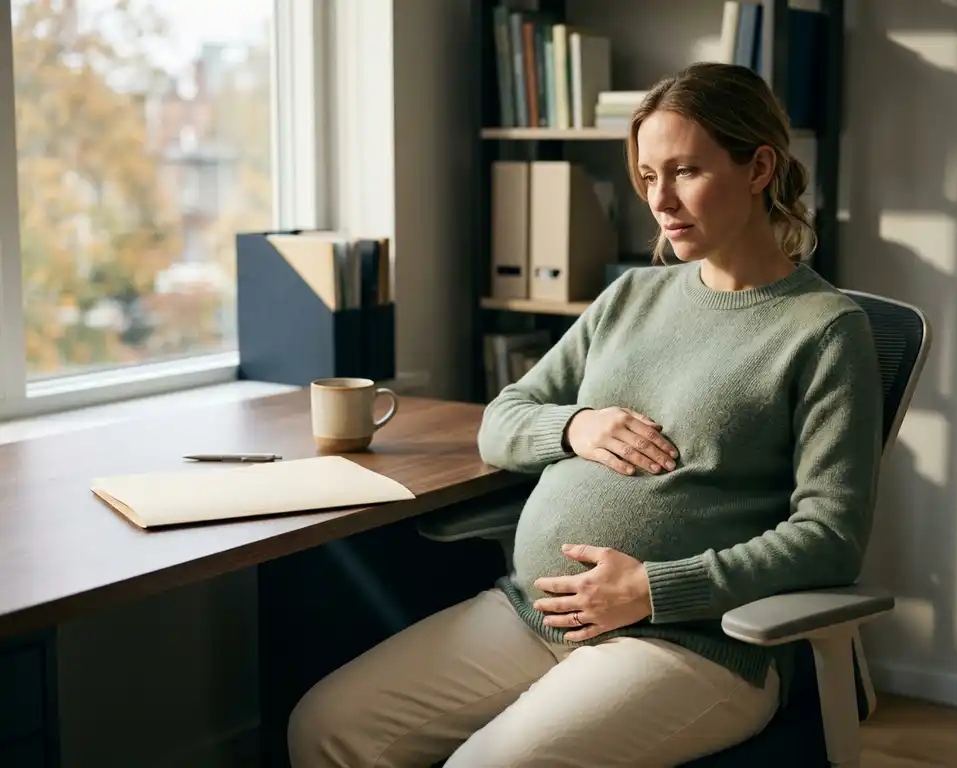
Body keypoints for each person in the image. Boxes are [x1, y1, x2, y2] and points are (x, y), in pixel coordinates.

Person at [287, 62, 883, 768]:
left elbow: (829, 538)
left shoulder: (823, 331)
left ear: (758, 168)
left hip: (690, 641)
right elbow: (501, 420)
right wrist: (574, 426)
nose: (661, 200)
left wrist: (653, 589)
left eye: (686, 171)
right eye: (647, 175)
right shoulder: (632, 297)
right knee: (325, 727)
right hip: (535, 613)